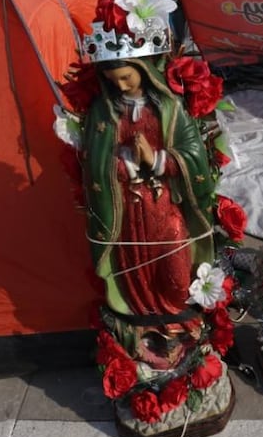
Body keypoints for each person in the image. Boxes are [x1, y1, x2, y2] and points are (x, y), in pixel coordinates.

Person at [82, 54, 215, 368]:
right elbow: (94, 162)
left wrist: (154, 159)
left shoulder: (169, 108)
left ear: (144, 70)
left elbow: (193, 154)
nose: (121, 86)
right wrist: (127, 163)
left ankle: (178, 317)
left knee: (176, 266)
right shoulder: (103, 111)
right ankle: (146, 324)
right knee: (135, 269)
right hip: (126, 209)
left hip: (164, 202)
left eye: (127, 77)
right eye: (114, 81)